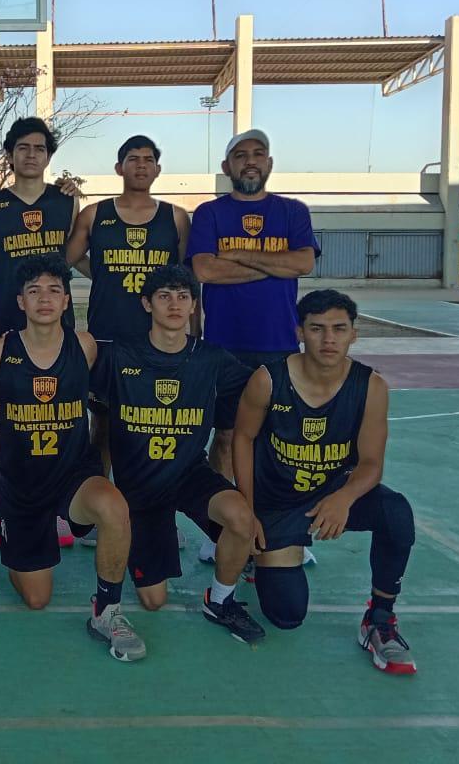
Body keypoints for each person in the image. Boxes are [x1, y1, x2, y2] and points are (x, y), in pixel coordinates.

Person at [233, 289, 416, 674]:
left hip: (332, 491)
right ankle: (264, 556)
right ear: (300, 332)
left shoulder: (371, 387)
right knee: (286, 615)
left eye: (339, 329)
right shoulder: (268, 380)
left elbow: (371, 464)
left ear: (354, 334)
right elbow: (243, 439)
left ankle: (380, 618)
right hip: (278, 500)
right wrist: (248, 511)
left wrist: (344, 498)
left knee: (396, 512)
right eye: (317, 329)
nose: (328, 339)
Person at [0, 256, 145, 662]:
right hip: (23, 486)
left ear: (67, 300)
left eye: (54, 290)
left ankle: (107, 611)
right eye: (34, 291)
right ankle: (8, 528)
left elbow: (106, 403)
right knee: (37, 599)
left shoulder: (84, 347)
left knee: (114, 507)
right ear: (20, 301)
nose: (45, 299)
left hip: (74, 474)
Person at [100, 264, 265, 644]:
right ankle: (138, 540)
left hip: (190, 474)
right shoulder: (120, 355)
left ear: (193, 306)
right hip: (139, 489)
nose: (174, 305)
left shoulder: (211, 359)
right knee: (153, 601)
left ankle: (220, 601)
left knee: (242, 519)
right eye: (164, 297)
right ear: (147, 304)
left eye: (183, 297)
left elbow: (267, 387)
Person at [186, 128, 319, 565]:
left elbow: (303, 262)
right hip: (223, 346)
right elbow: (205, 270)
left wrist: (240, 256)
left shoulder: (292, 212)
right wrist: (274, 265)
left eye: (258, 154)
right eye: (240, 155)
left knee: (280, 443)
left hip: (279, 346)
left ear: (269, 163)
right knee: (225, 438)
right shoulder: (209, 213)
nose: (250, 161)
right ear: (227, 166)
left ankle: (284, 531)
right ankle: (219, 531)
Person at [66, 135, 190, 545]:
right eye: (132, 159)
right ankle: (97, 513)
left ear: (158, 169)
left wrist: (192, 333)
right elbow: (67, 257)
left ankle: (151, 515)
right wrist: (100, 273)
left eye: (148, 159)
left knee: (151, 430)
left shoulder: (175, 218)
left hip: (157, 343)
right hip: (106, 338)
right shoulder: (95, 214)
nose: (140, 165)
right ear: (119, 168)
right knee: (101, 427)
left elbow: (186, 280)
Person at [0, 117, 81, 338]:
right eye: (23, 148)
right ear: (9, 155)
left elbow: (75, 255)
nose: (31, 155)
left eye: (39, 149)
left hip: (57, 321)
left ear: (48, 157)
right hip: (7, 318)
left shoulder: (67, 201)